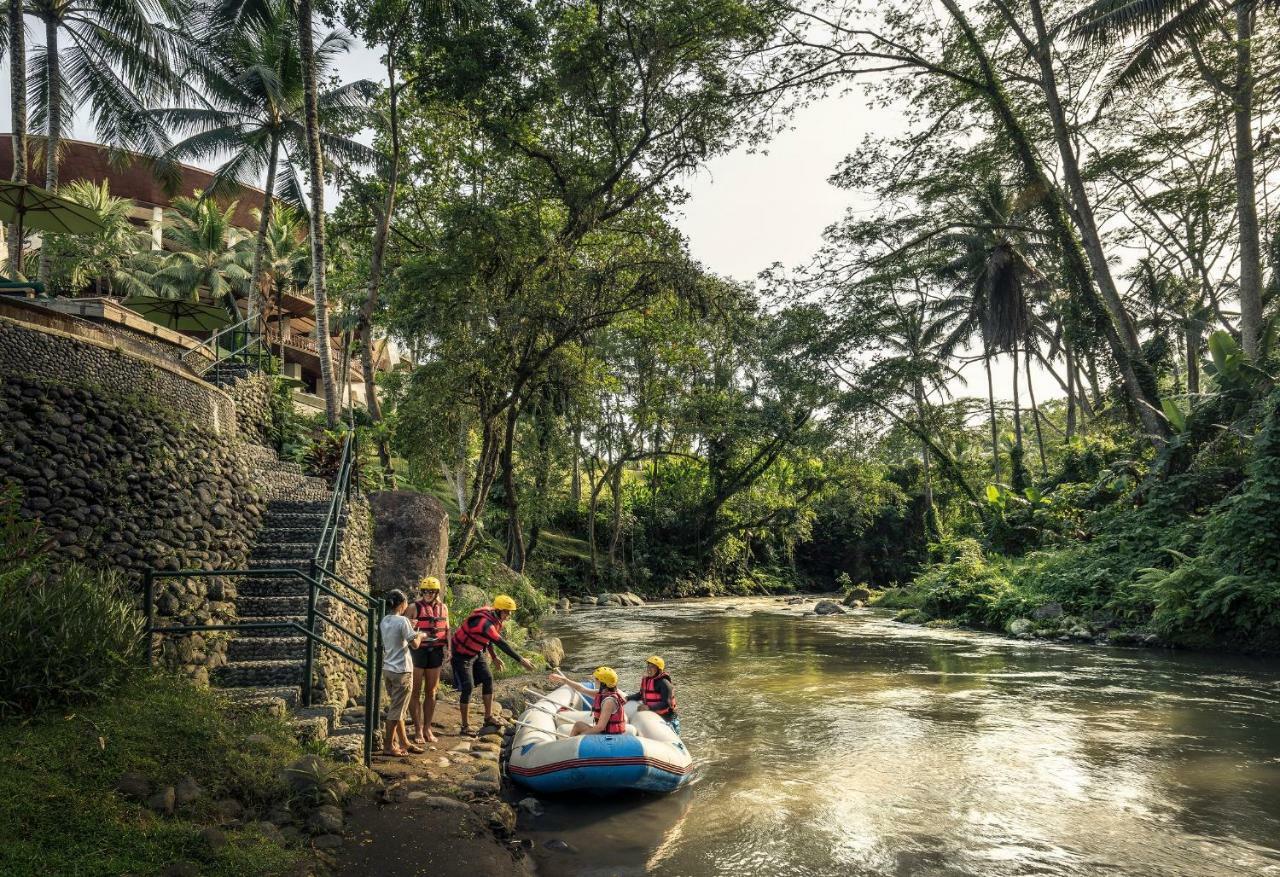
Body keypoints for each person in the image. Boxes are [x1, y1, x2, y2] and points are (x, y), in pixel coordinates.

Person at [450, 595, 535, 736]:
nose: (509, 615)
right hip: (462, 655)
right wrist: (520, 659)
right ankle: (465, 726)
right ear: (498, 610)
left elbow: (487, 640)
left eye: (510, 612)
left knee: (488, 679)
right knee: (468, 687)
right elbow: (501, 643)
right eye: (507, 612)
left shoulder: (494, 619)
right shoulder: (485, 623)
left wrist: (494, 657)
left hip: (476, 652)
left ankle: (488, 718)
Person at [379, 589, 425, 757]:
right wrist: (420, 634)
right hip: (402, 671)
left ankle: (404, 742)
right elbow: (415, 645)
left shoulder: (385, 620)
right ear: (402, 604)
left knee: (398, 708)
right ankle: (389, 746)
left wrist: (410, 628)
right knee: (396, 711)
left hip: (388, 669)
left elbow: (396, 635)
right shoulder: (404, 621)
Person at [407, 576, 450, 745]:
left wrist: (450, 649)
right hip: (418, 652)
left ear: (437, 592)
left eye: (431, 591)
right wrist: (410, 624)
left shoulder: (443, 608)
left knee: (431, 692)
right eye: (425, 591)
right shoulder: (413, 607)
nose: (428, 594)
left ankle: (427, 728)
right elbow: (404, 629)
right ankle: (418, 729)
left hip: (436, 651)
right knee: (415, 692)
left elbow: (447, 629)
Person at [552, 667, 628, 737]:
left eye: (597, 679)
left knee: (579, 730)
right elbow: (581, 689)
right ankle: (570, 746)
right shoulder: (603, 694)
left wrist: (580, 736)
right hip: (605, 732)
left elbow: (600, 727)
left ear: (603, 683)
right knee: (578, 725)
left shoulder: (609, 701)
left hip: (609, 737)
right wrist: (564, 680)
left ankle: (571, 745)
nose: (595, 680)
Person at [627, 655, 680, 735]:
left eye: (652, 667)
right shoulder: (647, 680)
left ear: (659, 669)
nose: (649, 669)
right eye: (648, 667)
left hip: (667, 718)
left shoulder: (664, 683)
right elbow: (641, 695)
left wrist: (648, 707)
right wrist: (627, 698)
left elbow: (666, 704)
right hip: (653, 715)